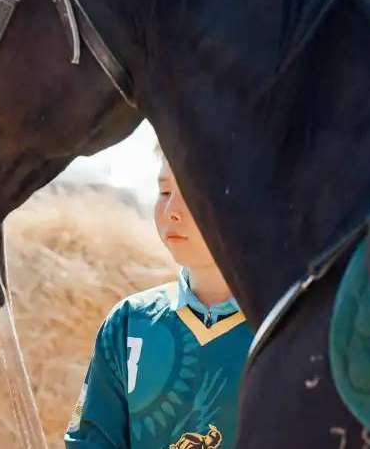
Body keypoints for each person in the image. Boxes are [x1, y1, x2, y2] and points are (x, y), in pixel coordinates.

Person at [65, 160, 252, 449]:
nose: (171, 211)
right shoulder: (128, 323)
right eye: (164, 192)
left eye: (190, 192)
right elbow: (91, 440)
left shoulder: (288, 331)